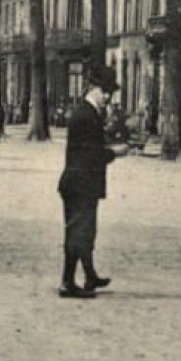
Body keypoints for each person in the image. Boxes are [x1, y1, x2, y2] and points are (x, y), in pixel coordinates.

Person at [57, 64, 125, 300]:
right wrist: (116, 153)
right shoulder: (86, 115)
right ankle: (67, 282)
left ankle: (89, 275)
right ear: (94, 88)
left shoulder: (88, 113)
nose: (108, 97)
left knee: (85, 231)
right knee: (78, 232)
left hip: (80, 183)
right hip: (80, 183)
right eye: (105, 91)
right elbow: (90, 155)